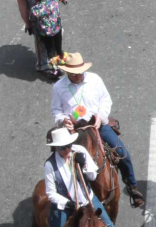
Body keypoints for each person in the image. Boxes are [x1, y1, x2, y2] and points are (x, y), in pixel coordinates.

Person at [50, 52, 144, 207]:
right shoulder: (58, 87)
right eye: (74, 74)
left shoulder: (95, 80)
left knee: (122, 153)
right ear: (67, 72)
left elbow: (106, 100)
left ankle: (132, 187)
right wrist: (63, 120)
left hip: (96, 125)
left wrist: (100, 116)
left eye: (80, 72)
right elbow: (56, 110)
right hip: (73, 130)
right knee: (58, 161)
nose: (78, 76)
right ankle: (60, 195)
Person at [36, 124, 117, 227]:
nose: (67, 150)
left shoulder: (78, 150)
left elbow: (93, 176)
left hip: (87, 199)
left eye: (68, 145)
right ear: (55, 148)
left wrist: (85, 164)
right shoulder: (50, 166)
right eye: (62, 147)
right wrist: (69, 204)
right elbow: (51, 194)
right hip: (67, 205)